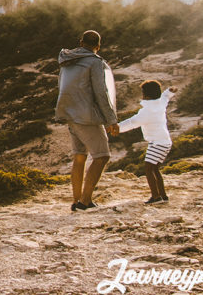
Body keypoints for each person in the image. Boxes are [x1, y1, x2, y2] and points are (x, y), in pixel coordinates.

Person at [56, 30, 119, 210]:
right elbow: (101, 92)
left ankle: (77, 200)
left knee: (80, 156)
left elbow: (62, 85)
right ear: (98, 47)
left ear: (81, 42)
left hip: (68, 112)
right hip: (86, 116)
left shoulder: (67, 60)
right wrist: (111, 120)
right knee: (102, 156)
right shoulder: (95, 62)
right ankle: (85, 201)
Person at [117, 81, 176, 204]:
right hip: (165, 141)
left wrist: (117, 128)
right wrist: (170, 91)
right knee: (155, 169)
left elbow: (132, 122)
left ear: (146, 95)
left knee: (149, 169)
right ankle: (163, 195)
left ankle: (155, 197)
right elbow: (165, 96)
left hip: (157, 143)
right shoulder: (160, 103)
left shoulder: (147, 111)